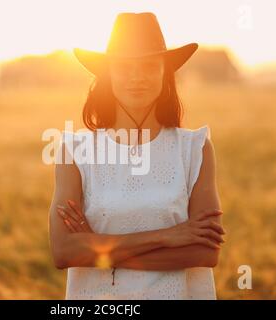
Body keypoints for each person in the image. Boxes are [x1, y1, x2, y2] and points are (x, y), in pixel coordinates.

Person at [48, 12, 226, 299]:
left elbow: (205, 252)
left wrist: (98, 248)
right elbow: (64, 252)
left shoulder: (195, 148)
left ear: (164, 72)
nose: (136, 77)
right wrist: (167, 236)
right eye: (124, 67)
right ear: (109, 74)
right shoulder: (75, 150)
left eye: (149, 65)